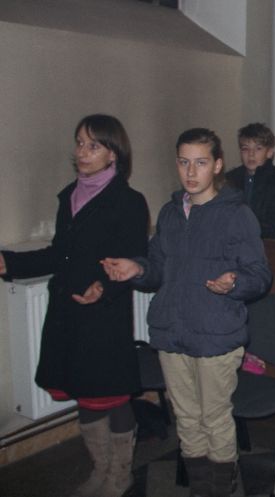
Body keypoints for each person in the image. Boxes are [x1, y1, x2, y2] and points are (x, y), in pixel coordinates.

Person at [102, 128, 272, 497]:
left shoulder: (236, 215)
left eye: (200, 163)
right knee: (188, 421)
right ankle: (200, 490)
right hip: (172, 332)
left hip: (216, 334)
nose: (190, 172)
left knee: (214, 419)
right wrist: (137, 269)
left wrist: (234, 282)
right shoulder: (170, 213)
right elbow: (158, 268)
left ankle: (222, 491)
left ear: (217, 165)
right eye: (183, 162)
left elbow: (259, 277)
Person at [0, 114, 149, 497]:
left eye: (93, 145)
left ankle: (120, 474)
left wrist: (104, 287)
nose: (82, 152)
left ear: (113, 153)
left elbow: (135, 260)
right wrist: (10, 263)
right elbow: (59, 256)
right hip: (69, 312)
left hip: (104, 315)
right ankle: (100, 470)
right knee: (85, 393)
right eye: (80, 143)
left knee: (110, 394)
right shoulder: (70, 196)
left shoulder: (129, 202)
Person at [226, 123, 275, 240]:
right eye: (245, 149)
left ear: (269, 152)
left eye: (258, 148)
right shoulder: (229, 181)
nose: (251, 154)